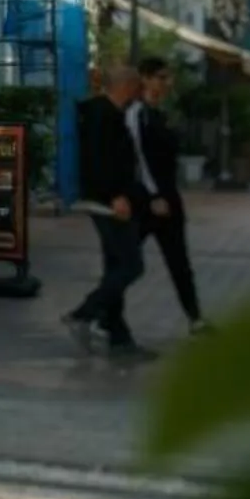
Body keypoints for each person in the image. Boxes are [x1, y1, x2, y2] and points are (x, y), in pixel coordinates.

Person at [64, 67, 148, 356]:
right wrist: (117, 196)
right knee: (130, 265)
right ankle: (85, 313)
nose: (140, 93)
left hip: (109, 199)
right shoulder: (103, 117)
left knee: (116, 265)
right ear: (125, 86)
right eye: (137, 86)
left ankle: (117, 334)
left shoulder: (106, 114)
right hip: (108, 202)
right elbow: (101, 161)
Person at [132, 61, 208, 335]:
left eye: (168, 78)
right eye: (161, 78)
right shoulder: (137, 113)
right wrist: (153, 195)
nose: (166, 84)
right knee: (127, 262)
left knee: (180, 262)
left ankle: (195, 318)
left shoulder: (161, 114)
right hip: (147, 201)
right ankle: (101, 315)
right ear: (146, 79)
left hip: (169, 197)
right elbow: (139, 158)